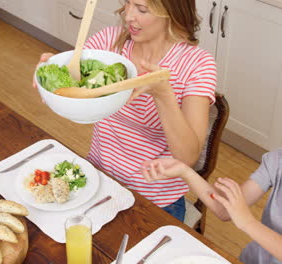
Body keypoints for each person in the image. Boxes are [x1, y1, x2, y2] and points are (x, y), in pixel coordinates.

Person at [34, 0, 216, 221]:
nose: (128, 16)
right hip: (98, 180)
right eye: (127, 3)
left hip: (154, 201)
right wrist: (51, 81)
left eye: (141, 9)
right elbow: (75, 93)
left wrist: (163, 95)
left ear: (172, 11)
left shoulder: (197, 64)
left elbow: (187, 157)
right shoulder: (108, 42)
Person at [141, 150, 282, 264]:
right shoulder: (276, 160)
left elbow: (243, 219)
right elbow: (225, 210)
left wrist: (248, 222)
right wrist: (185, 172)